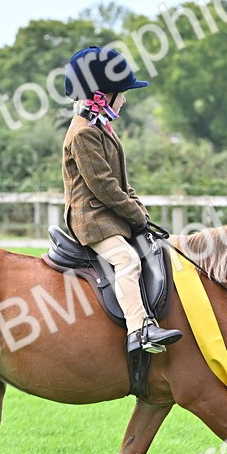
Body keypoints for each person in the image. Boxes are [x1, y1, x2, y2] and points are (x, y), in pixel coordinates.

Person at [62, 46, 181, 354]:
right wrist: (136, 216)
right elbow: (104, 186)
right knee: (126, 260)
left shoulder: (101, 128)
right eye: (121, 93)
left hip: (110, 215)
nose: (125, 99)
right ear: (102, 96)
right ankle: (139, 331)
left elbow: (122, 183)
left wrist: (140, 210)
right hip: (92, 221)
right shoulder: (83, 134)